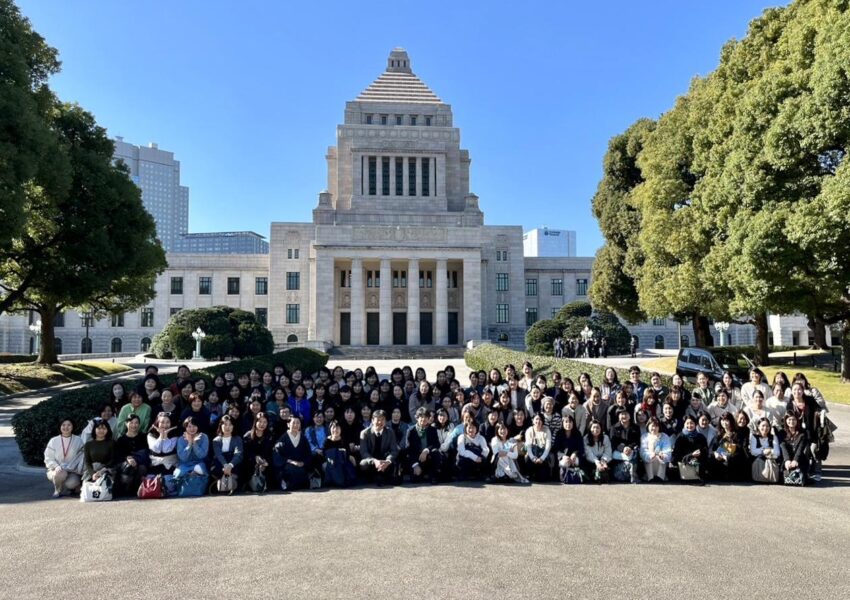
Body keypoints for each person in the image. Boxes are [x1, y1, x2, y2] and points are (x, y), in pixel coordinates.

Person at [44, 419, 85, 498]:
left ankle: (69, 487)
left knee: (71, 483)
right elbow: (48, 457)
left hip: (72, 471)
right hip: (56, 470)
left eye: (69, 425)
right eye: (63, 425)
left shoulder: (78, 440)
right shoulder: (53, 440)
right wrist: (56, 466)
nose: (66, 427)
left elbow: (81, 456)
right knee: (60, 473)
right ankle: (58, 489)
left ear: (73, 427)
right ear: (60, 427)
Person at [359, 410, 400, 485]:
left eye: (382, 420)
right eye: (378, 420)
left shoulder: (390, 432)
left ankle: (382, 476)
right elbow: (363, 452)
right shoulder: (364, 433)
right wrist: (375, 461)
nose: (380, 422)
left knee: (394, 464)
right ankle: (370, 477)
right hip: (371, 461)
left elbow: (394, 450)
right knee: (363, 464)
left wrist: (388, 461)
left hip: (384, 461)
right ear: (372, 420)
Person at [113, 414, 149, 495]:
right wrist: (128, 459)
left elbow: (146, 454)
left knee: (142, 468)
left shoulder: (143, 437)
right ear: (126, 423)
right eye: (131, 422)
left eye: (136, 423)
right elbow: (118, 457)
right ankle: (126, 489)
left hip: (140, 462)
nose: (134, 425)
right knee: (128, 467)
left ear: (139, 424)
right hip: (125, 465)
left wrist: (136, 461)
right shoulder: (121, 440)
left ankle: (138, 490)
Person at [274, 415, 312, 491]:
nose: (295, 425)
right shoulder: (283, 438)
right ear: (288, 424)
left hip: (300, 465)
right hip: (287, 466)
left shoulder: (303, 438)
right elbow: (277, 455)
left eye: (298, 423)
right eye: (293, 423)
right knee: (290, 470)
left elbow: (308, 454)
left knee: (302, 471)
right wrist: (290, 461)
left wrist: (303, 463)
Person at [404, 407, 442, 483]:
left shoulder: (432, 429)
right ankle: (421, 473)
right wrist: (415, 465)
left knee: (436, 452)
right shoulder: (411, 431)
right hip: (417, 459)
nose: (423, 419)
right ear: (417, 418)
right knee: (415, 480)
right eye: (421, 417)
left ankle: (433, 475)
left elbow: (436, 444)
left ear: (428, 418)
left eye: (426, 417)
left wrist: (426, 450)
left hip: (429, 456)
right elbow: (408, 449)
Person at [708, 412, 749, 482]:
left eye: (727, 420)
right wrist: (716, 453)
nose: (724, 423)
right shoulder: (719, 434)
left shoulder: (737, 432)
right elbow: (711, 449)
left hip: (733, 457)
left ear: (731, 421)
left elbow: (741, 448)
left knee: (733, 457)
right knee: (711, 456)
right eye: (722, 420)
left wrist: (726, 452)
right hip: (721, 456)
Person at [211, 415, 243, 492]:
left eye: (230, 425)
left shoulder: (237, 438)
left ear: (233, 426)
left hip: (233, 463)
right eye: (225, 424)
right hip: (221, 464)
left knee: (240, 462)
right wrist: (225, 466)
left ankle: (231, 480)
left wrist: (230, 465)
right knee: (215, 465)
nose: (227, 427)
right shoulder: (216, 440)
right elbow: (219, 454)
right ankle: (224, 481)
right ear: (221, 425)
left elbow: (238, 453)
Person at [242, 412, 275, 489]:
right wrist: (255, 457)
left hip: (265, 462)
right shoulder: (248, 435)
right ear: (255, 422)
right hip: (250, 462)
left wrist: (265, 462)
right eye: (259, 421)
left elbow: (270, 452)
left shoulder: (270, 436)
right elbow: (246, 452)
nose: (262, 424)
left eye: (264, 422)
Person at [672, 415, 708, 484]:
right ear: (684, 424)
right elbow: (676, 455)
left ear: (695, 424)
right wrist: (691, 455)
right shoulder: (680, 437)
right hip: (684, 465)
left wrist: (699, 454)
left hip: (698, 463)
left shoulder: (700, 437)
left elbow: (705, 452)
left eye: (692, 423)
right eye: (687, 423)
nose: (689, 425)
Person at [609, 409, 640, 483]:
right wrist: (623, 448)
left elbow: (637, 441)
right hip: (618, 451)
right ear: (618, 416)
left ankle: (633, 475)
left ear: (630, 416)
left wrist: (629, 447)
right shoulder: (614, 427)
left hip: (631, 450)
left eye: (626, 414)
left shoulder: (635, 427)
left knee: (635, 452)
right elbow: (613, 442)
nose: (624, 416)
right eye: (621, 414)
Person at [779, 413, 810, 485]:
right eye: (789, 419)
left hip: (799, 458)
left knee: (802, 477)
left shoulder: (802, 433)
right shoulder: (782, 432)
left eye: (794, 419)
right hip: (786, 458)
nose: (791, 421)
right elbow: (783, 446)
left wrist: (795, 460)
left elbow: (800, 448)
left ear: (797, 421)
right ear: (785, 421)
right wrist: (787, 460)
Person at [83, 418, 115, 483]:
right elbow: (87, 462)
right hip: (92, 471)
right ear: (94, 429)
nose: (101, 430)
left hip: (107, 470)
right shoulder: (88, 444)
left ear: (107, 430)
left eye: (104, 428)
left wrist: (103, 470)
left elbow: (113, 459)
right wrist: (93, 474)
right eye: (99, 428)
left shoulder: (111, 443)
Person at [554, 415, 585, 483]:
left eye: (570, 422)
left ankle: (576, 476)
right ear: (563, 423)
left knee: (576, 461)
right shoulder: (559, 434)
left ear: (573, 423)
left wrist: (575, 453)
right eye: (566, 422)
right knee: (565, 463)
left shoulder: (577, 433)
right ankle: (564, 476)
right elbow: (556, 449)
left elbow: (581, 447)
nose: (568, 424)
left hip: (575, 457)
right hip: (563, 457)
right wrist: (563, 456)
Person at [640, 417, 672, 482]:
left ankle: (660, 477)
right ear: (648, 426)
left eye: (656, 426)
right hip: (650, 458)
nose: (654, 428)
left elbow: (668, 449)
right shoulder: (644, 436)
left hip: (660, 459)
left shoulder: (664, 436)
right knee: (650, 458)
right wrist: (649, 455)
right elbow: (643, 450)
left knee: (662, 459)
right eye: (652, 426)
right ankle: (650, 477)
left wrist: (663, 455)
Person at [750, 418, 781, 484]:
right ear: (758, 427)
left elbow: (777, 452)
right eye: (763, 426)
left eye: (767, 426)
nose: (765, 428)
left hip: (771, 460)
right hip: (758, 461)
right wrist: (764, 450)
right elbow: (753, 451)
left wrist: (769, 451)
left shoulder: (773, 437)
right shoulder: (754, 437)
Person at [524, 413, 553, 481]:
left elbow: (548, 446)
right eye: (536, 419)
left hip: (542, 456)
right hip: (532, 455)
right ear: (533, 420)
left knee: (542, 478)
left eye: (540, 419)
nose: (538, 421)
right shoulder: (529, 430)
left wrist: (542, 458)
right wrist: (533, 458)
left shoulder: (547, 430)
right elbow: (528, 446)